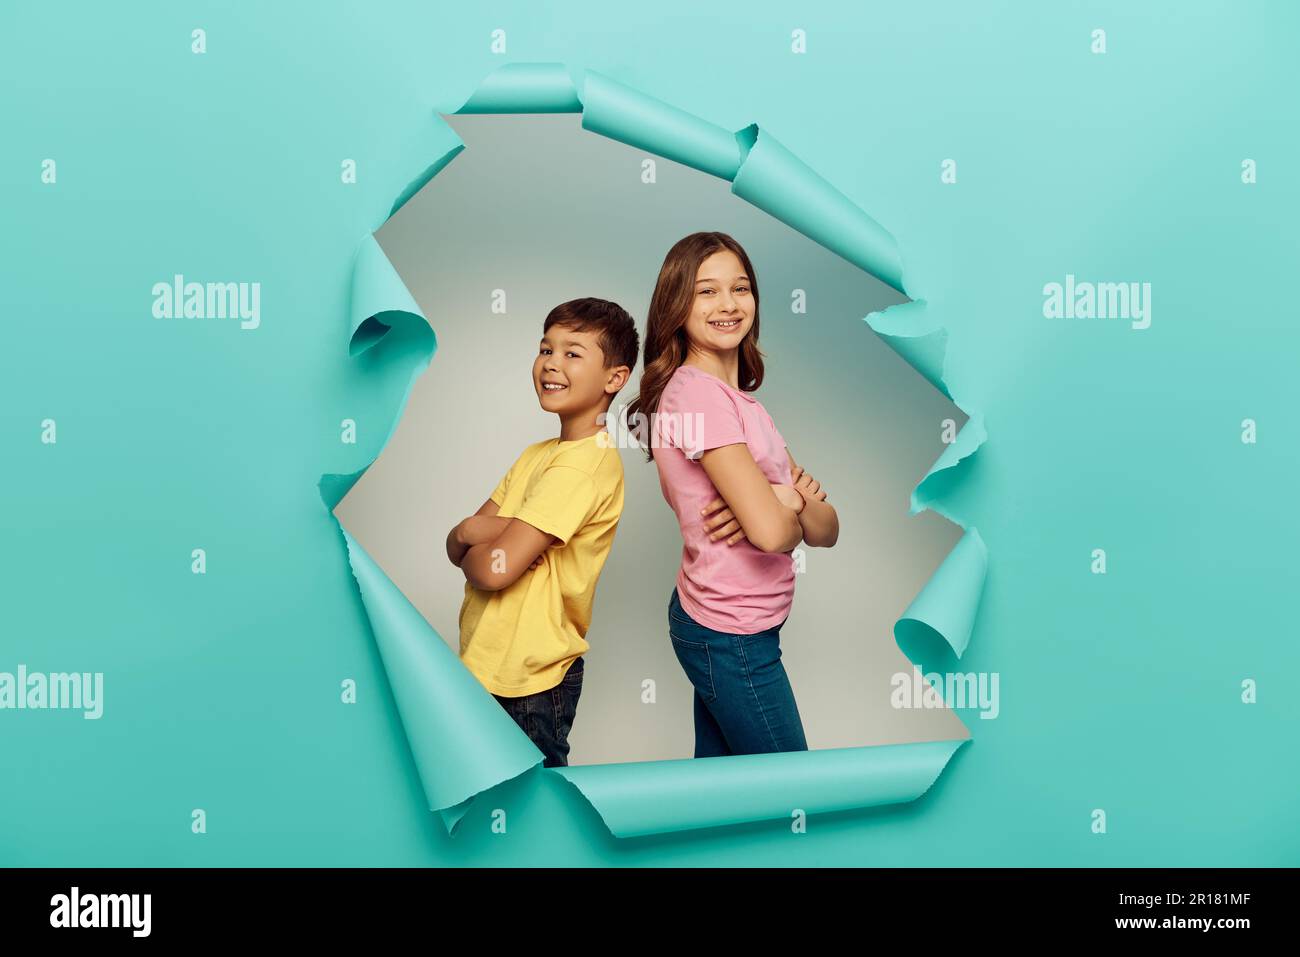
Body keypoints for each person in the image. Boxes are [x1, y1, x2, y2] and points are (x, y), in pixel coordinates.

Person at [627, 232, 839, 758]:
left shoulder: (740, 401)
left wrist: (777, 498)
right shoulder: (697, 396)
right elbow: (773, 533)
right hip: (730, 633)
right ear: (676, 306)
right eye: (706, 291)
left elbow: (828, 528)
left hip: (738, 627)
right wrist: (786, 500)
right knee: (789, 788)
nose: (728, 304)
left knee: (724, 789)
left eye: (740, 288)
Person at [446, 298, 638, 767]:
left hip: (530, 682)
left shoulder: (583, 465)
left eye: (573, 353)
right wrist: (477, 530)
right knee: (486, 806)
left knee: (533, 814)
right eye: (545, 349)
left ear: (615, 378)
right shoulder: (538, 454)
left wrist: (482, 539)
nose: (551, 363)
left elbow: (492, 571)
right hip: (486, 666)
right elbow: (457, 546)